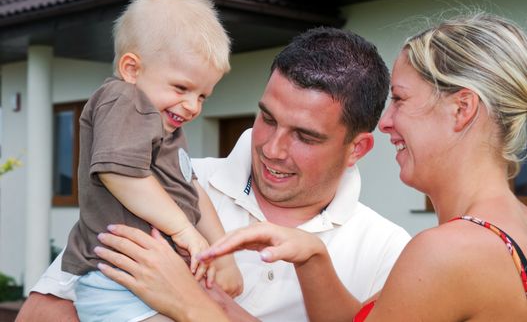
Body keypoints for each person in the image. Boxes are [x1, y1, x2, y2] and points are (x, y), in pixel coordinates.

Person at [17, 27, 411, 321]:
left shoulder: (389, 252)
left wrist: (191, 306)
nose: (272, 149)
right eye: (267, 118)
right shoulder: (165, 185)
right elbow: (42, 310)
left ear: (357, 148)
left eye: (305, 137)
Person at [191, 13, 527, 321]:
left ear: (461, 109)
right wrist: (314, 259)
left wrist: (189, 302)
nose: (386, 123)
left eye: (399, 99)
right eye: (267, 118)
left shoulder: (444, 251)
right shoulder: (510, 228)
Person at [57, 0, 242, 322]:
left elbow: (192, 190)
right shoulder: (123, 99)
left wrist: (224, 254)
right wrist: (184, 231)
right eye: (182, 88)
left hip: (154, 281)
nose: (192, 106)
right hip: (117, 282)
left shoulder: (164, 128)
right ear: (132, 69)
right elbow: (120, 174)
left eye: (203, 96)